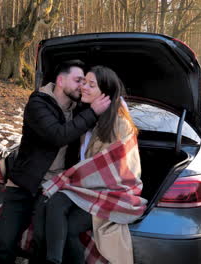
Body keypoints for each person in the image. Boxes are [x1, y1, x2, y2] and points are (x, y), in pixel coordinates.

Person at [0, 60, 111, 264]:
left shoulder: (79, 109)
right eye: (78, 80)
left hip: (51, 187)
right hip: (23, 184)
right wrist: (92, 113)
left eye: (84, 82)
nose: (82, 86)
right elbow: (58, 135)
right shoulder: (38, 104)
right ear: (60, 80)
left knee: (42, 243)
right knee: (5, 243)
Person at [34, 65, 147, 264]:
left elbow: (111, 171)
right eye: (84, 82)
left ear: (105, 93)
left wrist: (71, 180)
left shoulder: (119, 124)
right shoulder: (90, 117)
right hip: (87, 189)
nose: (84, 87)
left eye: (91, 84)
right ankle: (51, 259)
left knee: (63, 218)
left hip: (112, 192)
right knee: (52, 204)